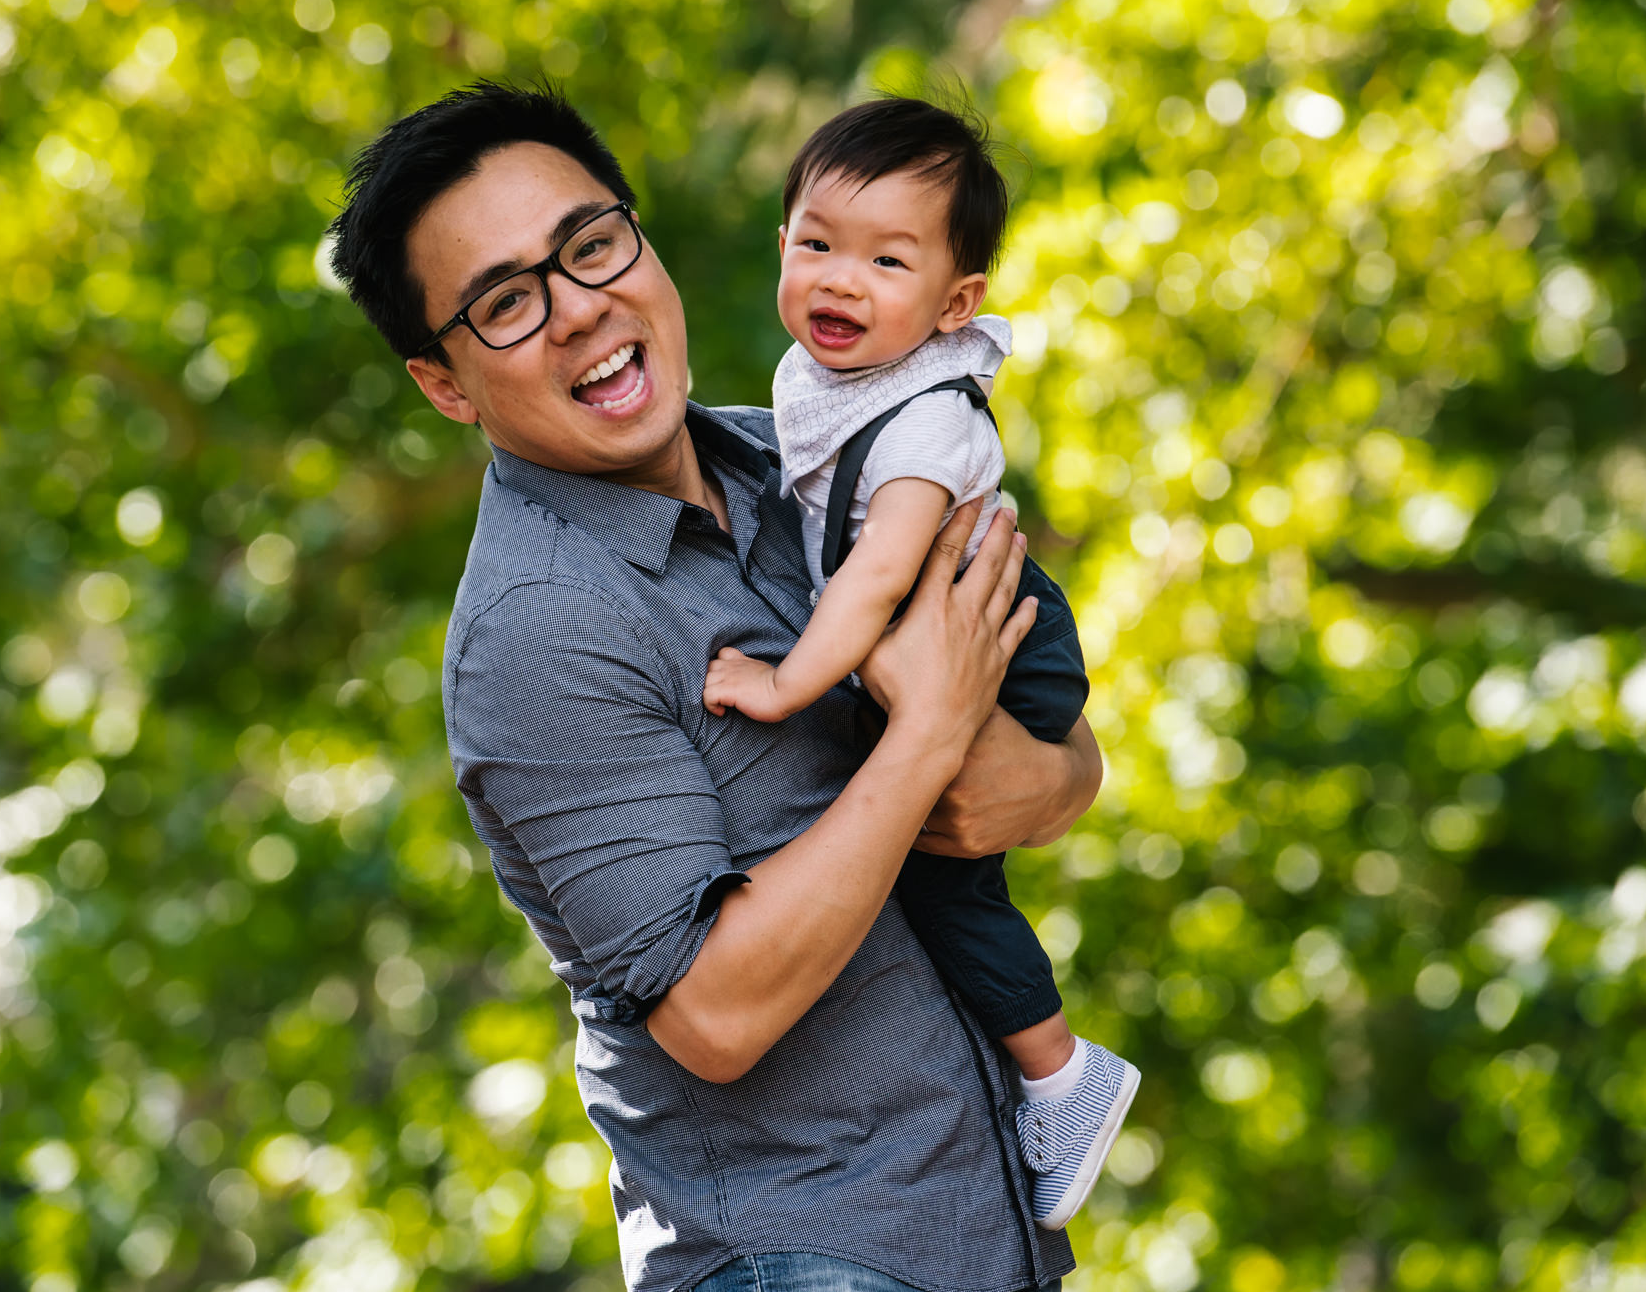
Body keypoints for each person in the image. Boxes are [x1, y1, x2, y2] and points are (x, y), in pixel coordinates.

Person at [329, 82, 1105, 1292]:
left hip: (975, 1229)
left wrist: (1036, 775)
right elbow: (716, 1015)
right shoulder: (538, 629)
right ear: (444, 383)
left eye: (589, 246)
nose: (578, 310)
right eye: (505, 303)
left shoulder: (801, 459)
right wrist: (927, 739)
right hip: (801, 1259)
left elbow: (1057, 762)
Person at [700, 98, 1139, 1230]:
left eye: (885, 260)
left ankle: (1060, 1072)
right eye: (814, 243)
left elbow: (878, 567)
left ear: (953, 305)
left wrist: (784, 681)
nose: (839, 281)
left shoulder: (927, 425)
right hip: (919, 631)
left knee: (942, 875)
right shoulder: (813, 384)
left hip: (998, 634)